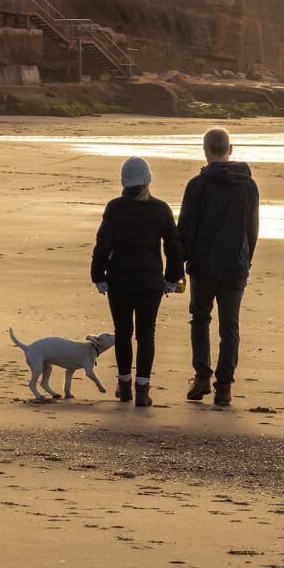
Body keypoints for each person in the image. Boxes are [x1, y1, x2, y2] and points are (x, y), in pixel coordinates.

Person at [90, 155, 183, 407]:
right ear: (147, 180)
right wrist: (171, 280)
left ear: (124, 181)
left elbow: (102, 245)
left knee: (123, 333)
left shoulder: (114, 207)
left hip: (119, 281)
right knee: (146, 334)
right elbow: (174, 247)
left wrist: (98, 277)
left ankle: (124, 385)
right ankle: (143, 389)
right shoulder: (161, 208)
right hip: (150, 282)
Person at [178, 128, 259, 407]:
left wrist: (178, 265)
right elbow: (252, 229)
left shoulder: (197, 185)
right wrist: (246, 260)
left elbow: (185, 229)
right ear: (230, 149)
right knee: (230, 327)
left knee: (200, 319)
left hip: (203, 266)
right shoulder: (248, 185)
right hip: (235, 266)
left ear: (205, 150)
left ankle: (202, 376)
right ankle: (223, 387)